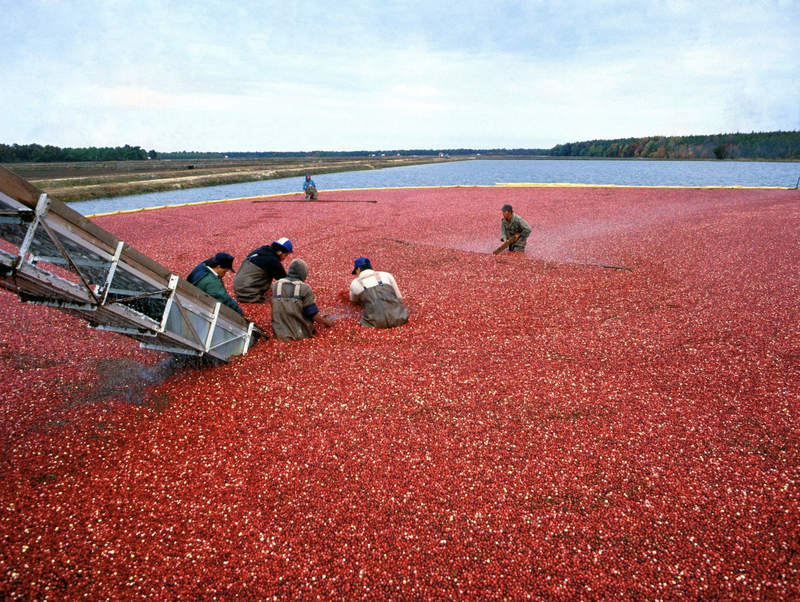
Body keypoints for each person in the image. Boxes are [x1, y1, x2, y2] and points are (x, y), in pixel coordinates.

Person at [271, 259, 332, 341]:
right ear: (303, 273)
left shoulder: (276, 285)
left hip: (279, 333)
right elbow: (312, 313)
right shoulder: (304, 288)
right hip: (299, 334)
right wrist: (325, 321)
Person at [349, 257, 408, 328]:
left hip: (373, 323)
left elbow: (353, 300)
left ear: (358, 269)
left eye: (356, 272)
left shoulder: (354, 283)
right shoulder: (387, 275)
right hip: (399, 318)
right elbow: (399, 298)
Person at [233, 237, 293, 304]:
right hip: (247, 294)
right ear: (279, 252)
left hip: (238, 287)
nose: (285, 258)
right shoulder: (273, 261)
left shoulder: (262, 250)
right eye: (285, 255)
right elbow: (284, 280)